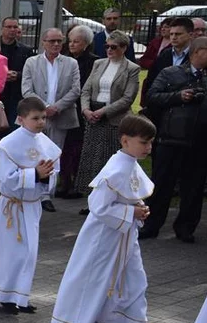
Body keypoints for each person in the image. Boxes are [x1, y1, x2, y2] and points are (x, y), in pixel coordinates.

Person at [52, 115, 169, 323]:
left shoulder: (131, 165)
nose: (148, 147)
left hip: (125, 237)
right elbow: (98, 206)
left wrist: (139, 211)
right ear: (125, 141)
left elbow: (131, 197)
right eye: (143, 142)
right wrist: (131, 212)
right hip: (102, 239)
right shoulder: (114, 170)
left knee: (136, 280)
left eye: (150, 143)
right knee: (93, 281)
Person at [0, 96, 60, 314]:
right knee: (11, 252)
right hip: (13, 206)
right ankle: (5, 295)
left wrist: (45, 177)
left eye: (43, 117)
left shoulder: (47, 145)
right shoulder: (8, 145)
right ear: (20, 119)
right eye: (35, 118)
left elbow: (53, 176)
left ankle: (21, 295)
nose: (41, 122)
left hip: (32, 205)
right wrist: (35, 173)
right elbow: (6, 179)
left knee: (28, 252)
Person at [141, 35, 207, 242]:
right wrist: (178, 96)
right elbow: (152, 97)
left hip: (200, 142)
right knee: (162, 185)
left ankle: (185, 227)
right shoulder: (171, 73)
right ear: (198, 52)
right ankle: (151, 225)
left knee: (194, 188)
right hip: (171, 139)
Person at [74, 32, 140, 206]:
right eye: (107, 46)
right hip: (93, 116)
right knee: (91, 159)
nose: (109, 50)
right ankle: (91, 201)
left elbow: (127, 98)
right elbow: (86, 90)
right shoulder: (99, 63)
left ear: (124, 48)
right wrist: (86, 109)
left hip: (113, 118)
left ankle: (109, 201)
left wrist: (104, 111)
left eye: (114, 47)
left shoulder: (132, 69)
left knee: (108, 160)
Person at [21, 28, 80, 212]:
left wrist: (57, 107)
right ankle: (31, 188)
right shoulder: (31, 62)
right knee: (32, 153)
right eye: (52, 41)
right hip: (36, 117)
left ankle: (47, 194)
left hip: (61, 116)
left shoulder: (71, 63)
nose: (56, 44)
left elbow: (75, 89)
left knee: (52, 155)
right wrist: (44, 107)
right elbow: (26, 89)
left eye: (59, 41)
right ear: (43, 42)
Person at [58, 24, 98, 199]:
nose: (72, 44)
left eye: (76, 41)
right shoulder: (64, 59)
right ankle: (64, 180)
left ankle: (77, 182)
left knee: (78, 148)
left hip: (81, 109)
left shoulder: (93, 62)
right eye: (70, 41)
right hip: (64, 107)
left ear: (86, 43)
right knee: (65, 147)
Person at [143, 16, 193, 109]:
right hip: (162, 106)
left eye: (178, 34)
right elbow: (151, 80)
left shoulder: (195, 55)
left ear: (190, 35)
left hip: (186, 108)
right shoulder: (164, 54)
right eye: (171, 34)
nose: (173, 37)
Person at [0, 17, 33, 130]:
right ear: (2, 29)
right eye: (9, 27)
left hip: (16, 97)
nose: (12, 30)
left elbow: (31, 73)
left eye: (15, 27)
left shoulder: (25, 50)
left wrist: (17, 75)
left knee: (13, 129)